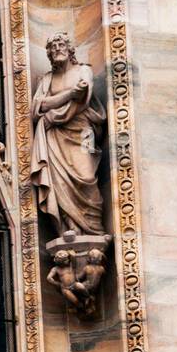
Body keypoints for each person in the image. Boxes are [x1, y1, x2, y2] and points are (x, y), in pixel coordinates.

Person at [31, 32, 105, 237]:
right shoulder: (47, 79)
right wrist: (70, 94)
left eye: (61, 45)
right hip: (55, 138)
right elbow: (38, 106)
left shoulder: (84, 70)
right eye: (52, 47)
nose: (57, 50)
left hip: (83, 133)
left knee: (87, 175)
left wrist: (54, 112)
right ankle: (71, 227)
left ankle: (94, 230)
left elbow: (82, 96)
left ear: (70, 49)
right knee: (60, 182)